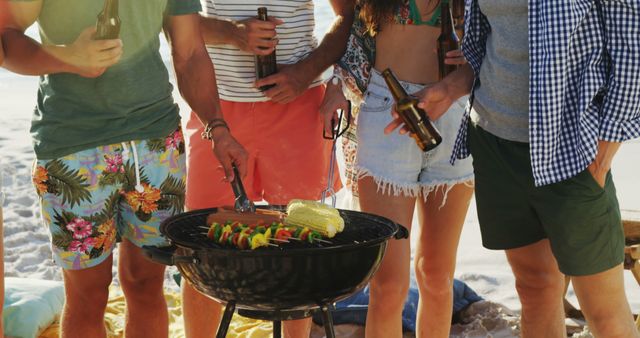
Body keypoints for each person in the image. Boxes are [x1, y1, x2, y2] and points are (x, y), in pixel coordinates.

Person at [386, 0, 640, 337]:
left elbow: (631, 44)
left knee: (602, 308)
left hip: (573, 150)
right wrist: (449, 88)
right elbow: (494, 40)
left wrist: (607, 145)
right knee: (534, 287)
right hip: (494, 143)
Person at [1, 0, 247, 337]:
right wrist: (67, 56)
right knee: (88, 295)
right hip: (73, 146)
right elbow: (5, 38)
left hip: (156, 144)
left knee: (147, 285)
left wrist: (217, 127)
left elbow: (189, 52)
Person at [181, 1, 354, 337]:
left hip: (299, 104)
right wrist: (233, 34)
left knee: (302, 244)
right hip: (216, 110)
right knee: (201, 248)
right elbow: (174, 22)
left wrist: (305, 72)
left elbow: (349, 15)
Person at [319, 1, 474, 337]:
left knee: (437, 275)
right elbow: (352, 29)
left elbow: (503, 41)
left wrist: (473, 63)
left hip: (455, 114)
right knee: (389, 283)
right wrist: (336, 88)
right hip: (387, 112)